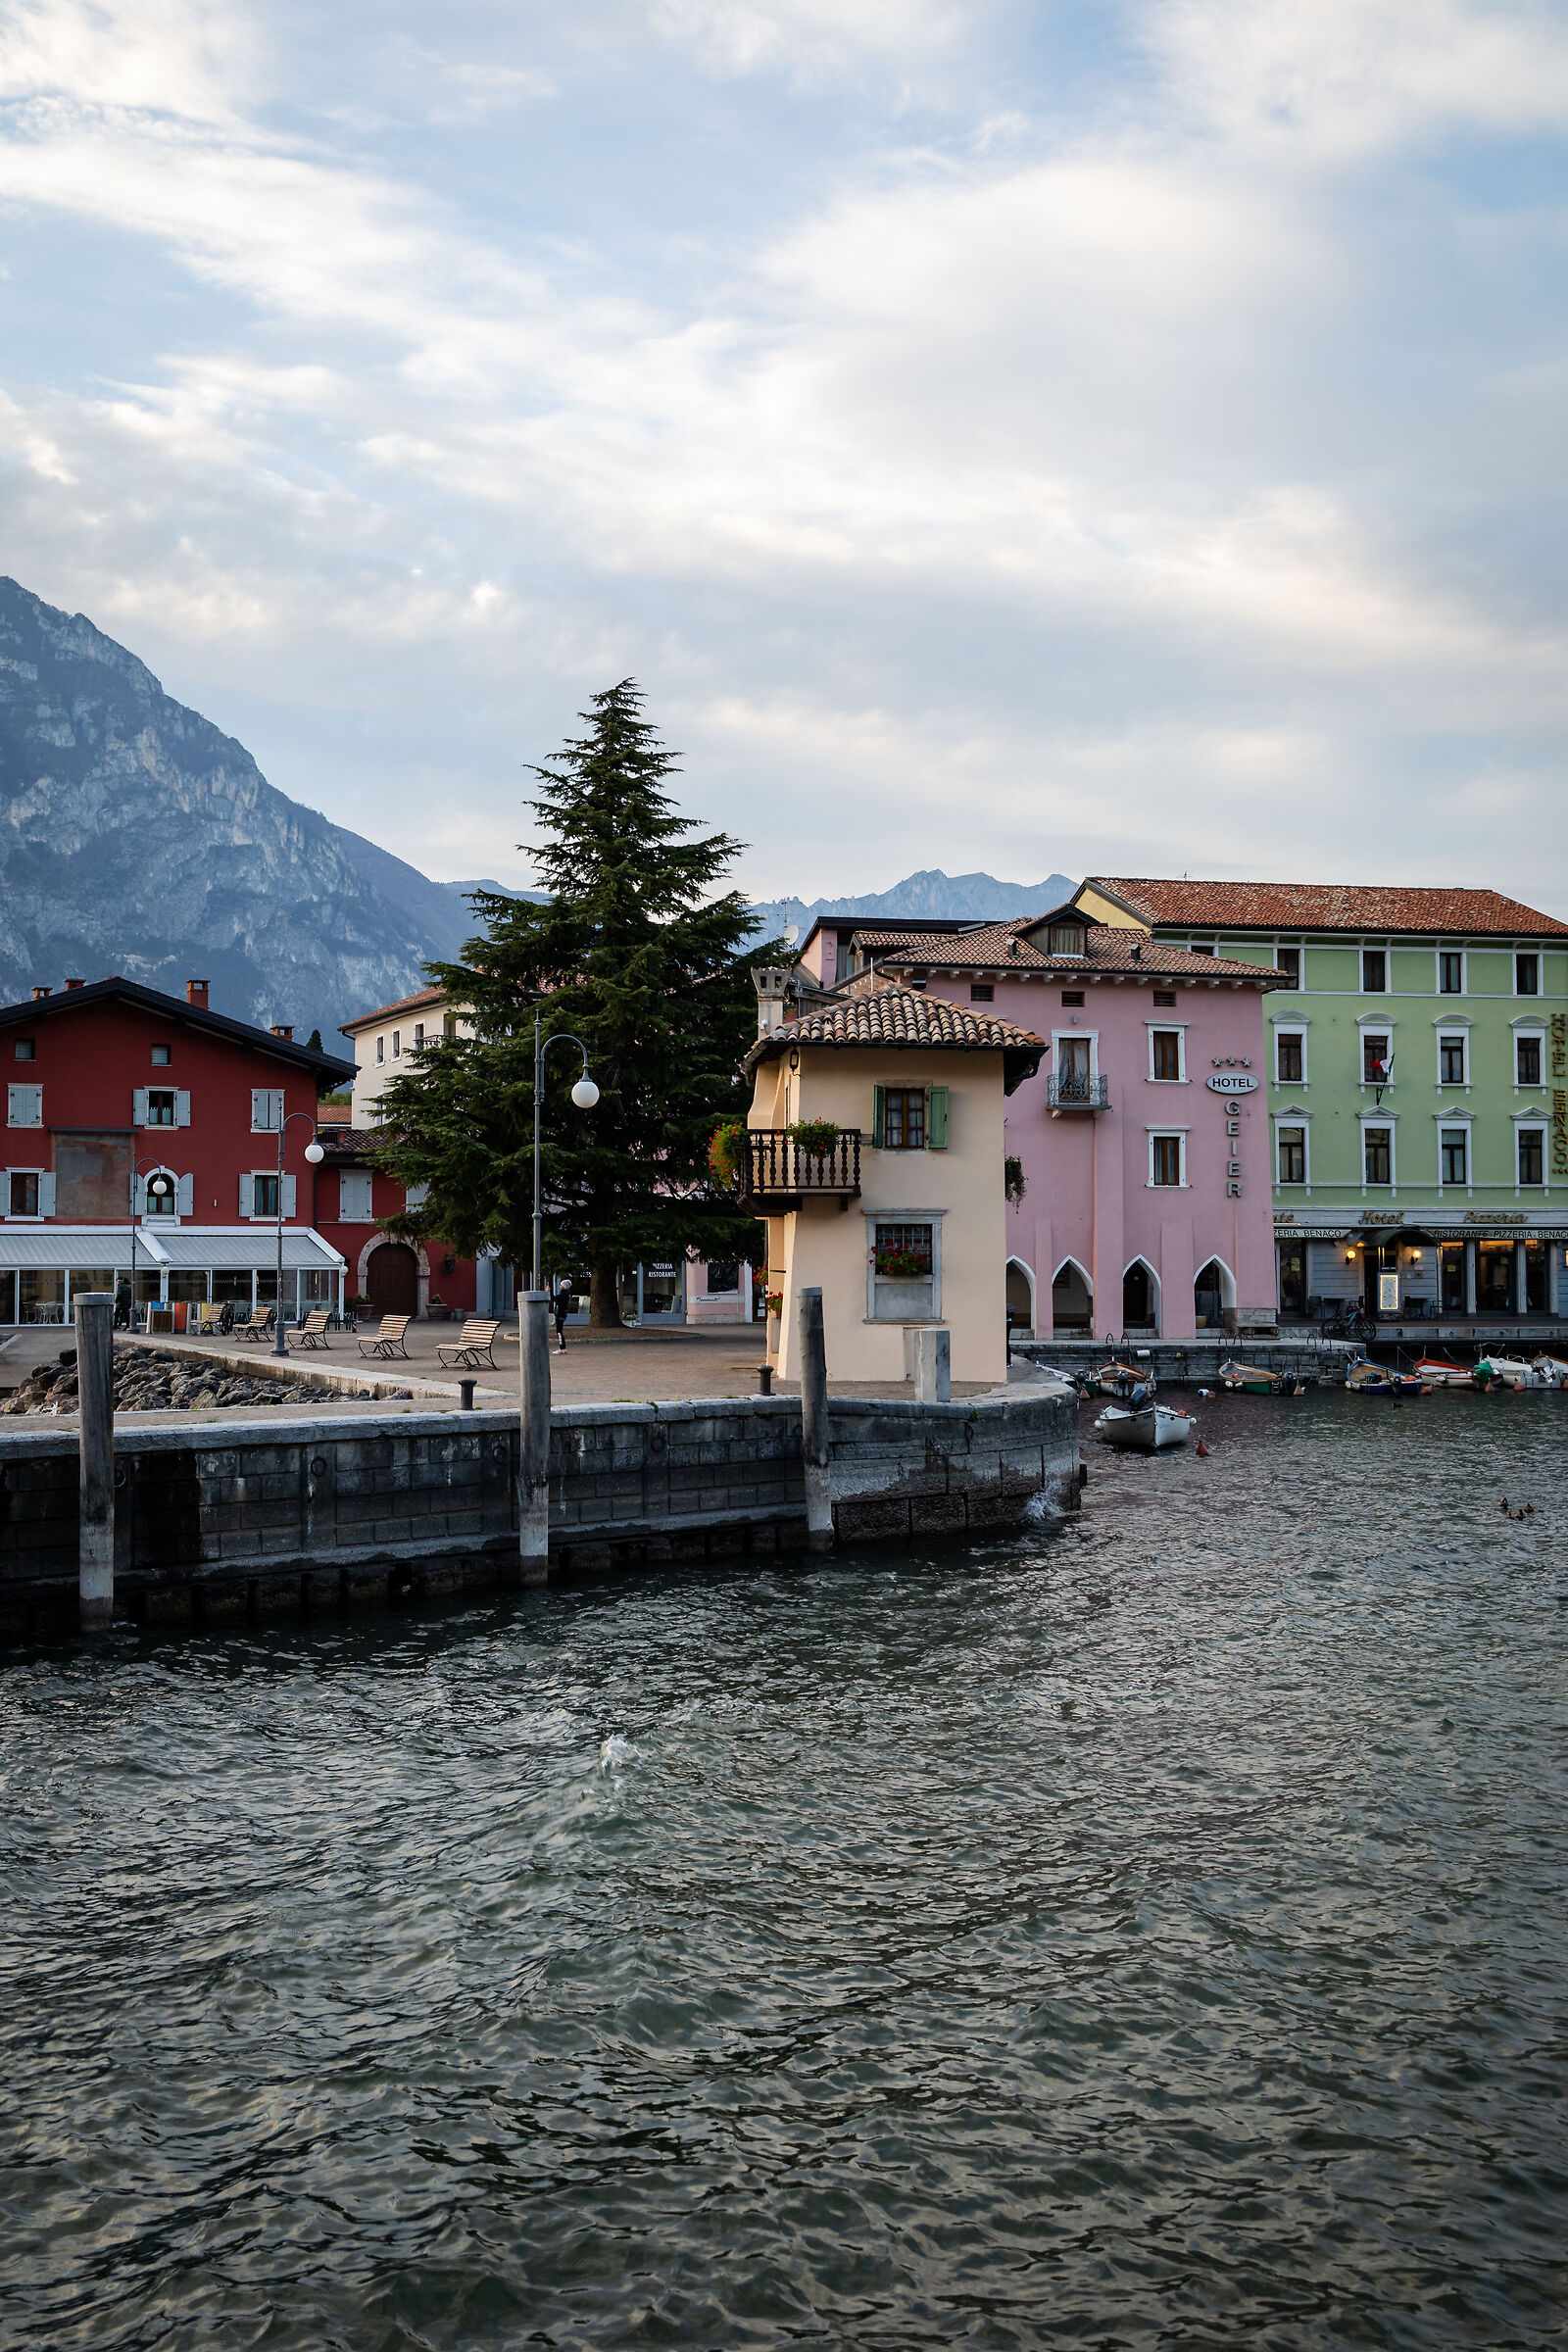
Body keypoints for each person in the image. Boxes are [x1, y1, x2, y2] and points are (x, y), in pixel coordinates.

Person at [553, 1278, 573, 1354]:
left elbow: (554, 1298)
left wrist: (549, 1292)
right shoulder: (564, 1294)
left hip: (560, 1315)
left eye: (561, 1285)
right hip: (562, 1314)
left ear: (564, 1286)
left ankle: (561, 1348)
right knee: (560, 1331)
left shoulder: (563, 1294)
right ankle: (563, 1348)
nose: (559, 1286)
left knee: (559, 1332)